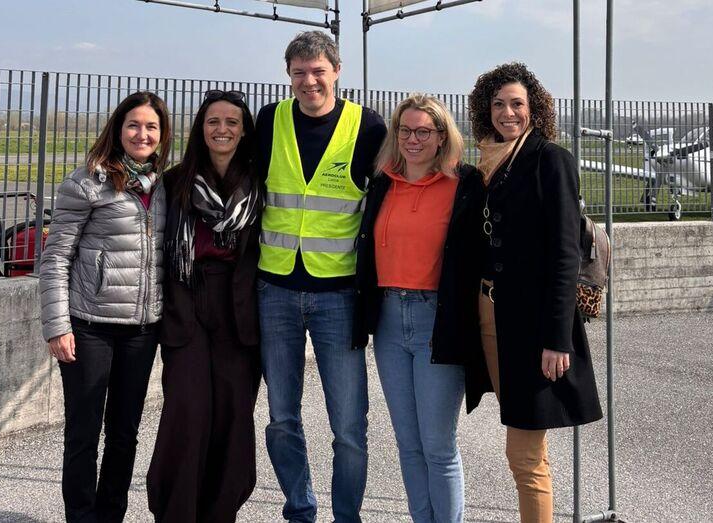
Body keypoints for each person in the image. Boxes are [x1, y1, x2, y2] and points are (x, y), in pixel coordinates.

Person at [255, 30, 387, 523]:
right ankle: (300, 509)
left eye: (318, 71)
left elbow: (389, 198)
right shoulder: (269, 120)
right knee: (281, 418)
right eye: (299, 72)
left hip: (339, 295)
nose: (309, 81)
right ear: (288, 75)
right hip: (275, 289)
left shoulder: (368, 126)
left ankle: (346, 517)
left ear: (337, 71)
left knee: (349, 427)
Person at [466, 62, 603, 523]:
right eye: (498, 104)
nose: (507, 113)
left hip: (532, 325)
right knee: (529, 448)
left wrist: (557, 338)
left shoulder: (550, 160)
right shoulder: (488, 162)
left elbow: (566, 254)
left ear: (534, 109)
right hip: (490, 315)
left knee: (523, 453)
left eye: (517, 104)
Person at [352, 94, 486, 523]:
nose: (413, 139)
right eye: (405, 130)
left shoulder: (465, 184)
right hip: (389, 322)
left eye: (423, 131)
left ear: (442, 136)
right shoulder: (383, 183)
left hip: (438, 321)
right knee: (408, 444)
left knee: (437, 446)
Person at [39, 91, 170, 522]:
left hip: (142, 329)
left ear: (162, 134)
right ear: (118, 129)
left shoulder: (165, 187)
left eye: (151, 126)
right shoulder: (86, 183)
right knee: (83, 433)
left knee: (124, 434)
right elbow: (56, 258)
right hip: (89, 326)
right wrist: (57, 326)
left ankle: (111, 514)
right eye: (134, 125)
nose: (142, 134)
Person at [146, 89, 262, 523]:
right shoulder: (175, 181)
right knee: (187, 413)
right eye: (213, 121)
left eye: (232, 122)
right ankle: (175, 512)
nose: (222, 129)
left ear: (244, 131)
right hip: (188, 302)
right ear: (201, 128)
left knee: (234, 416)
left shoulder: (259, 183)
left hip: (240, 309)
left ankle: (220, 512)